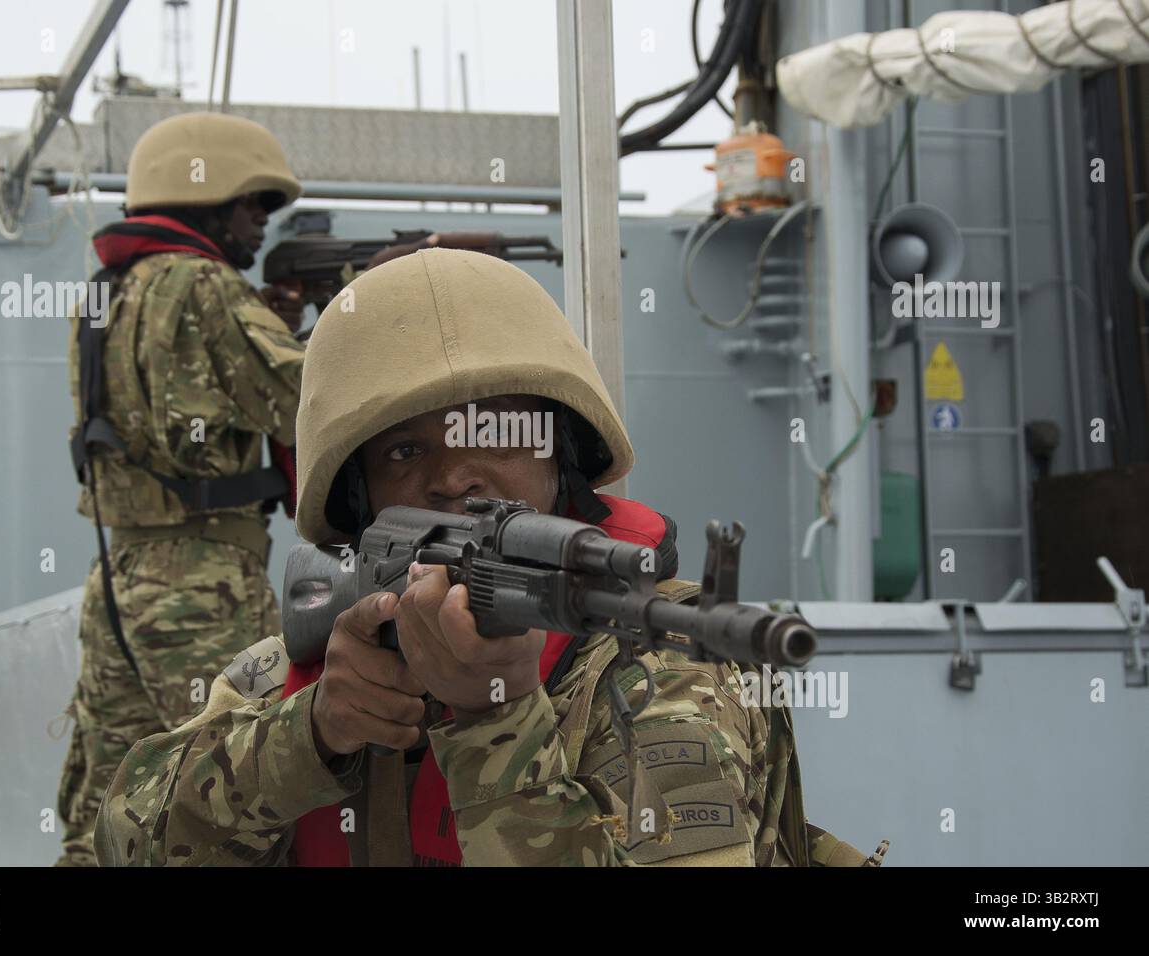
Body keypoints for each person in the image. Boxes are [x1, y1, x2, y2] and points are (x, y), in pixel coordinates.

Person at [93, 248, 881, 867]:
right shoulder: (298, 675)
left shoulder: (664, 671)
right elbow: (128, 843)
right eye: (405, 450)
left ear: (558, 459)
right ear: (359, 499)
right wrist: (315, 731)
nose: (454, 474)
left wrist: (492, 718)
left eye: (496, 433)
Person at [54, 111, 308, 866]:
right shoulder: (204, 284)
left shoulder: (104, 291)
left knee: (108, 803)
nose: (261, 224)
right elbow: (305, 402)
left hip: (120, 583)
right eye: (251, 204)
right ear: (208, 195)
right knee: (229, 799)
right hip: (202, 587)